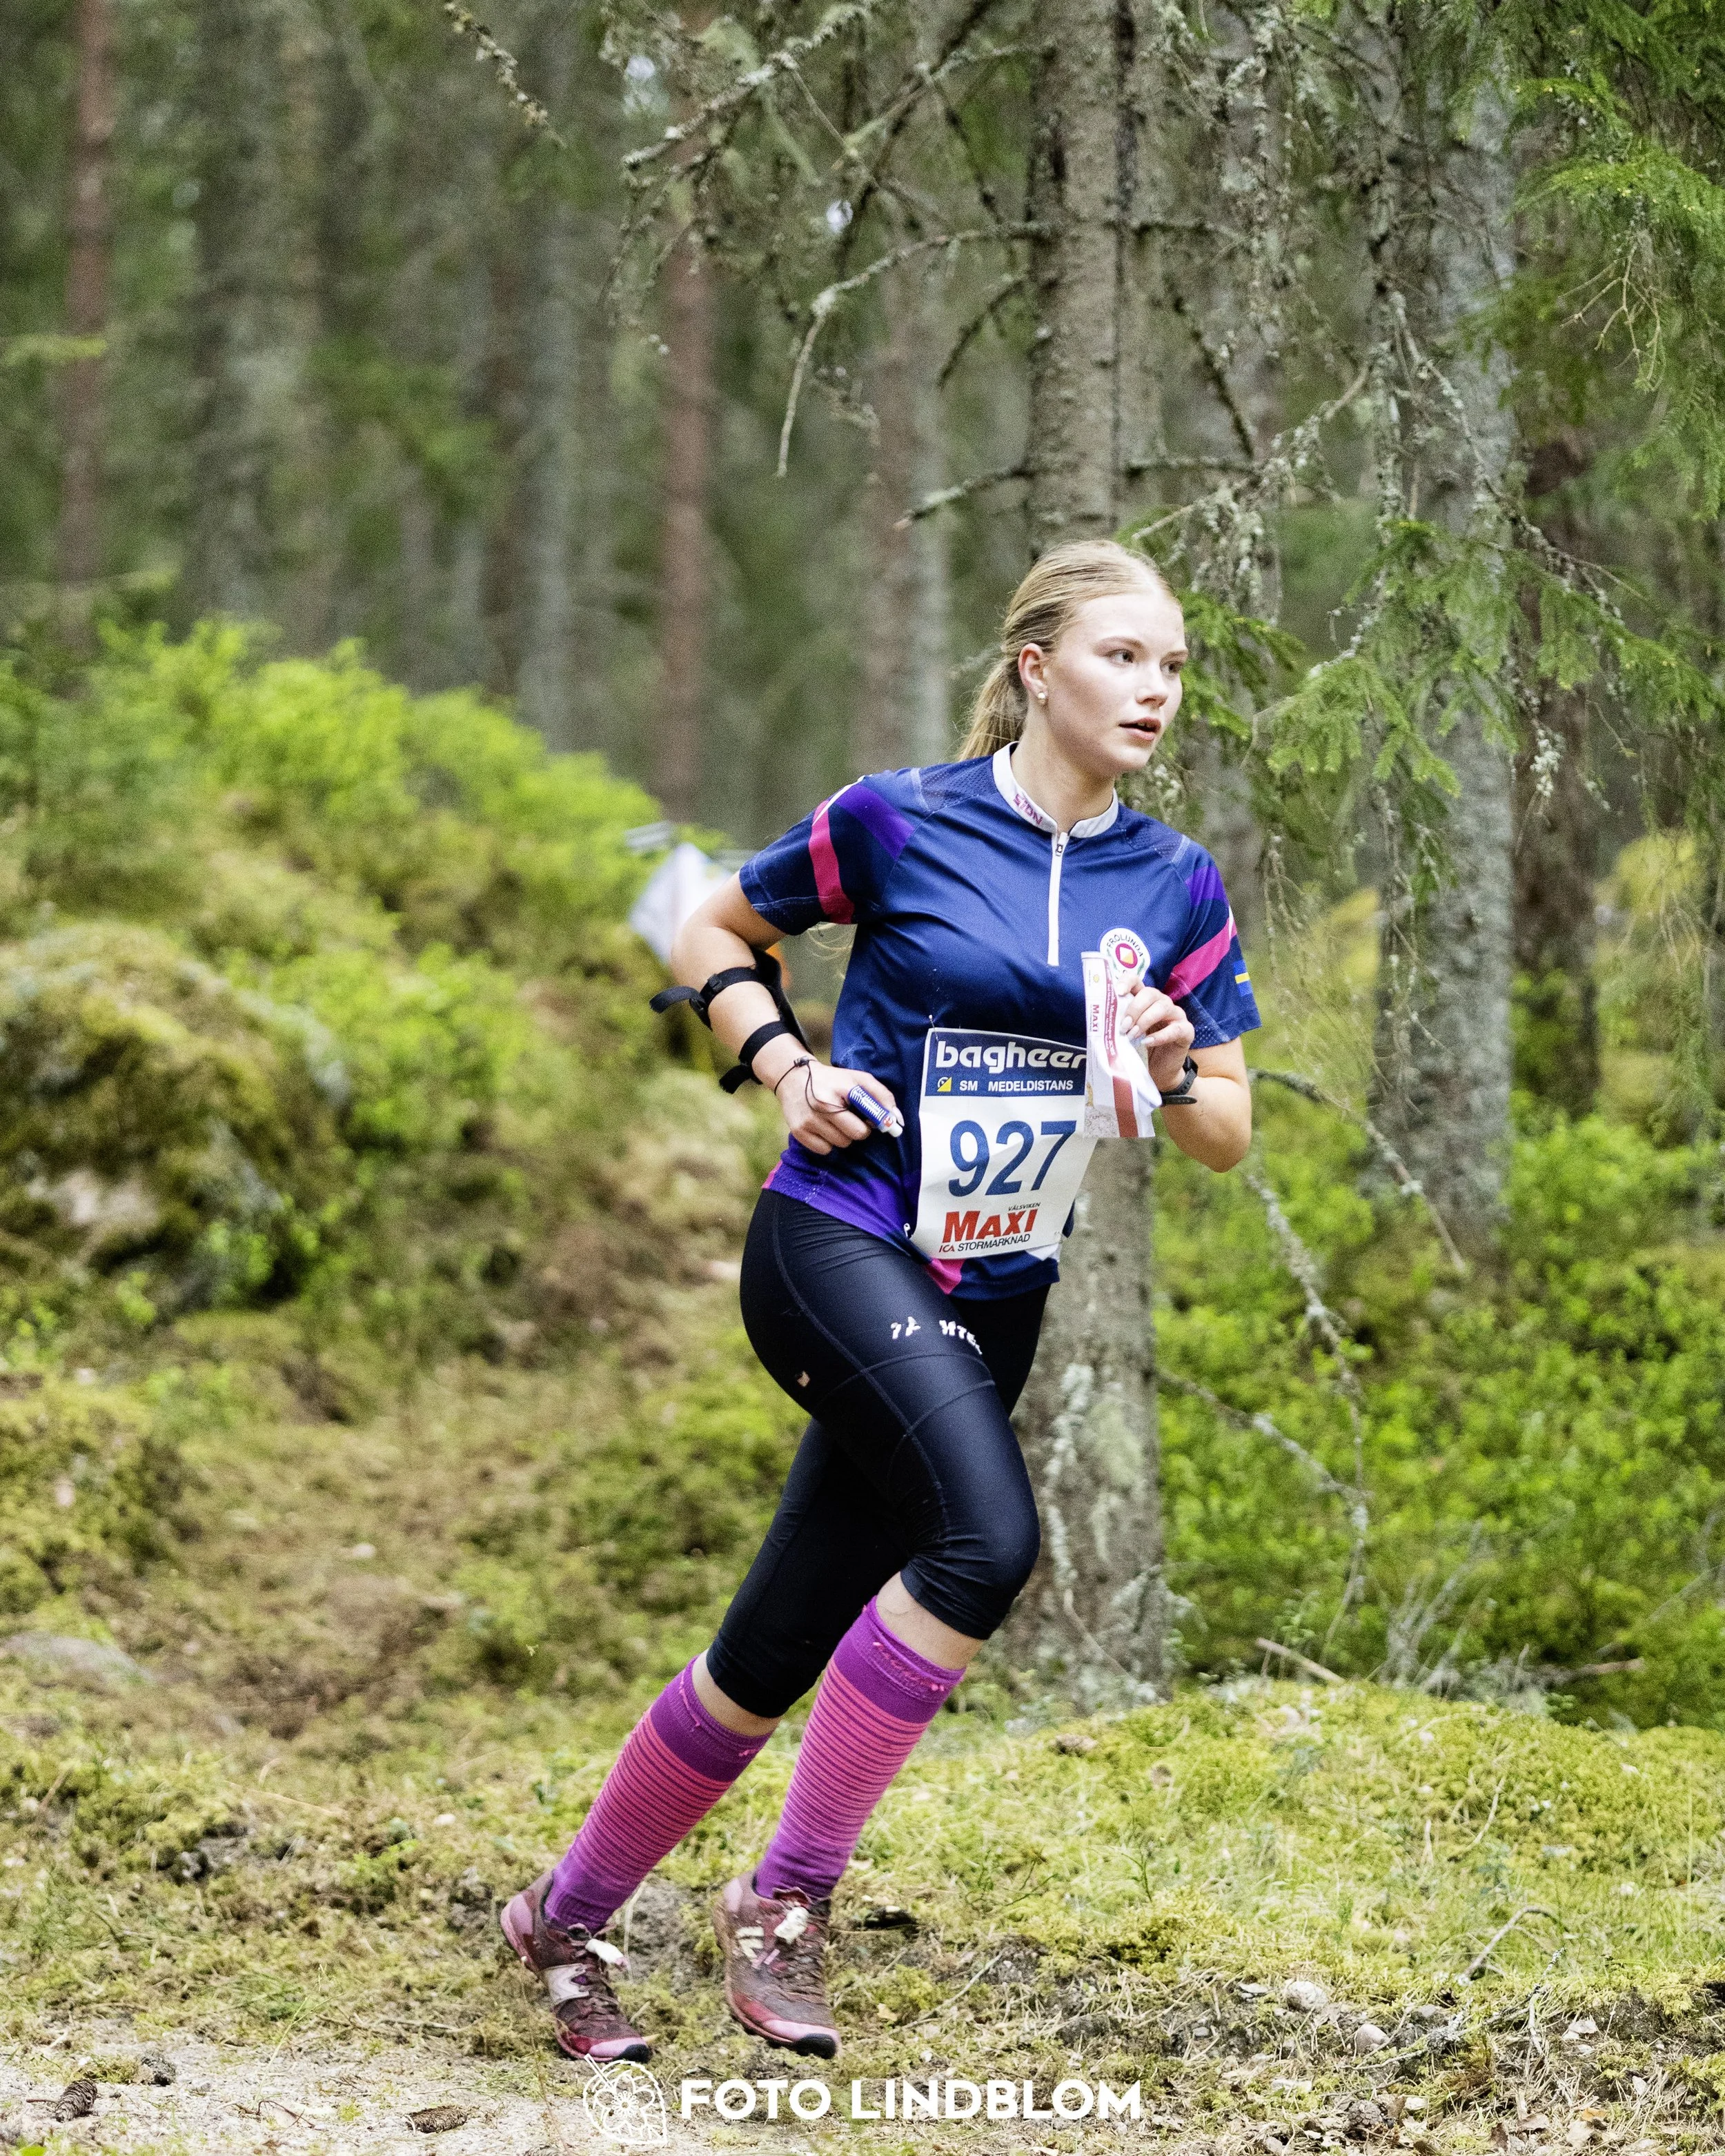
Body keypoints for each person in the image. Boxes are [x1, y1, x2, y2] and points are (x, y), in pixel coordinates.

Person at [500, 538, 1260, 2062]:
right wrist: (786, 1066)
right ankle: (784, 1900)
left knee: (771, 1645)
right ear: (1035, 667)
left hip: (1000, 1284)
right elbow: (711, 929)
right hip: (837, 1240)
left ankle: (562, 1917)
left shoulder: (1169, 878)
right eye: (1122, 657)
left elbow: (1224, 1127)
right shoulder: (899, 820)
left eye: (1172, 665)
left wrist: (1176, 1066)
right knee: (983, 1539)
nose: (1154, 689)